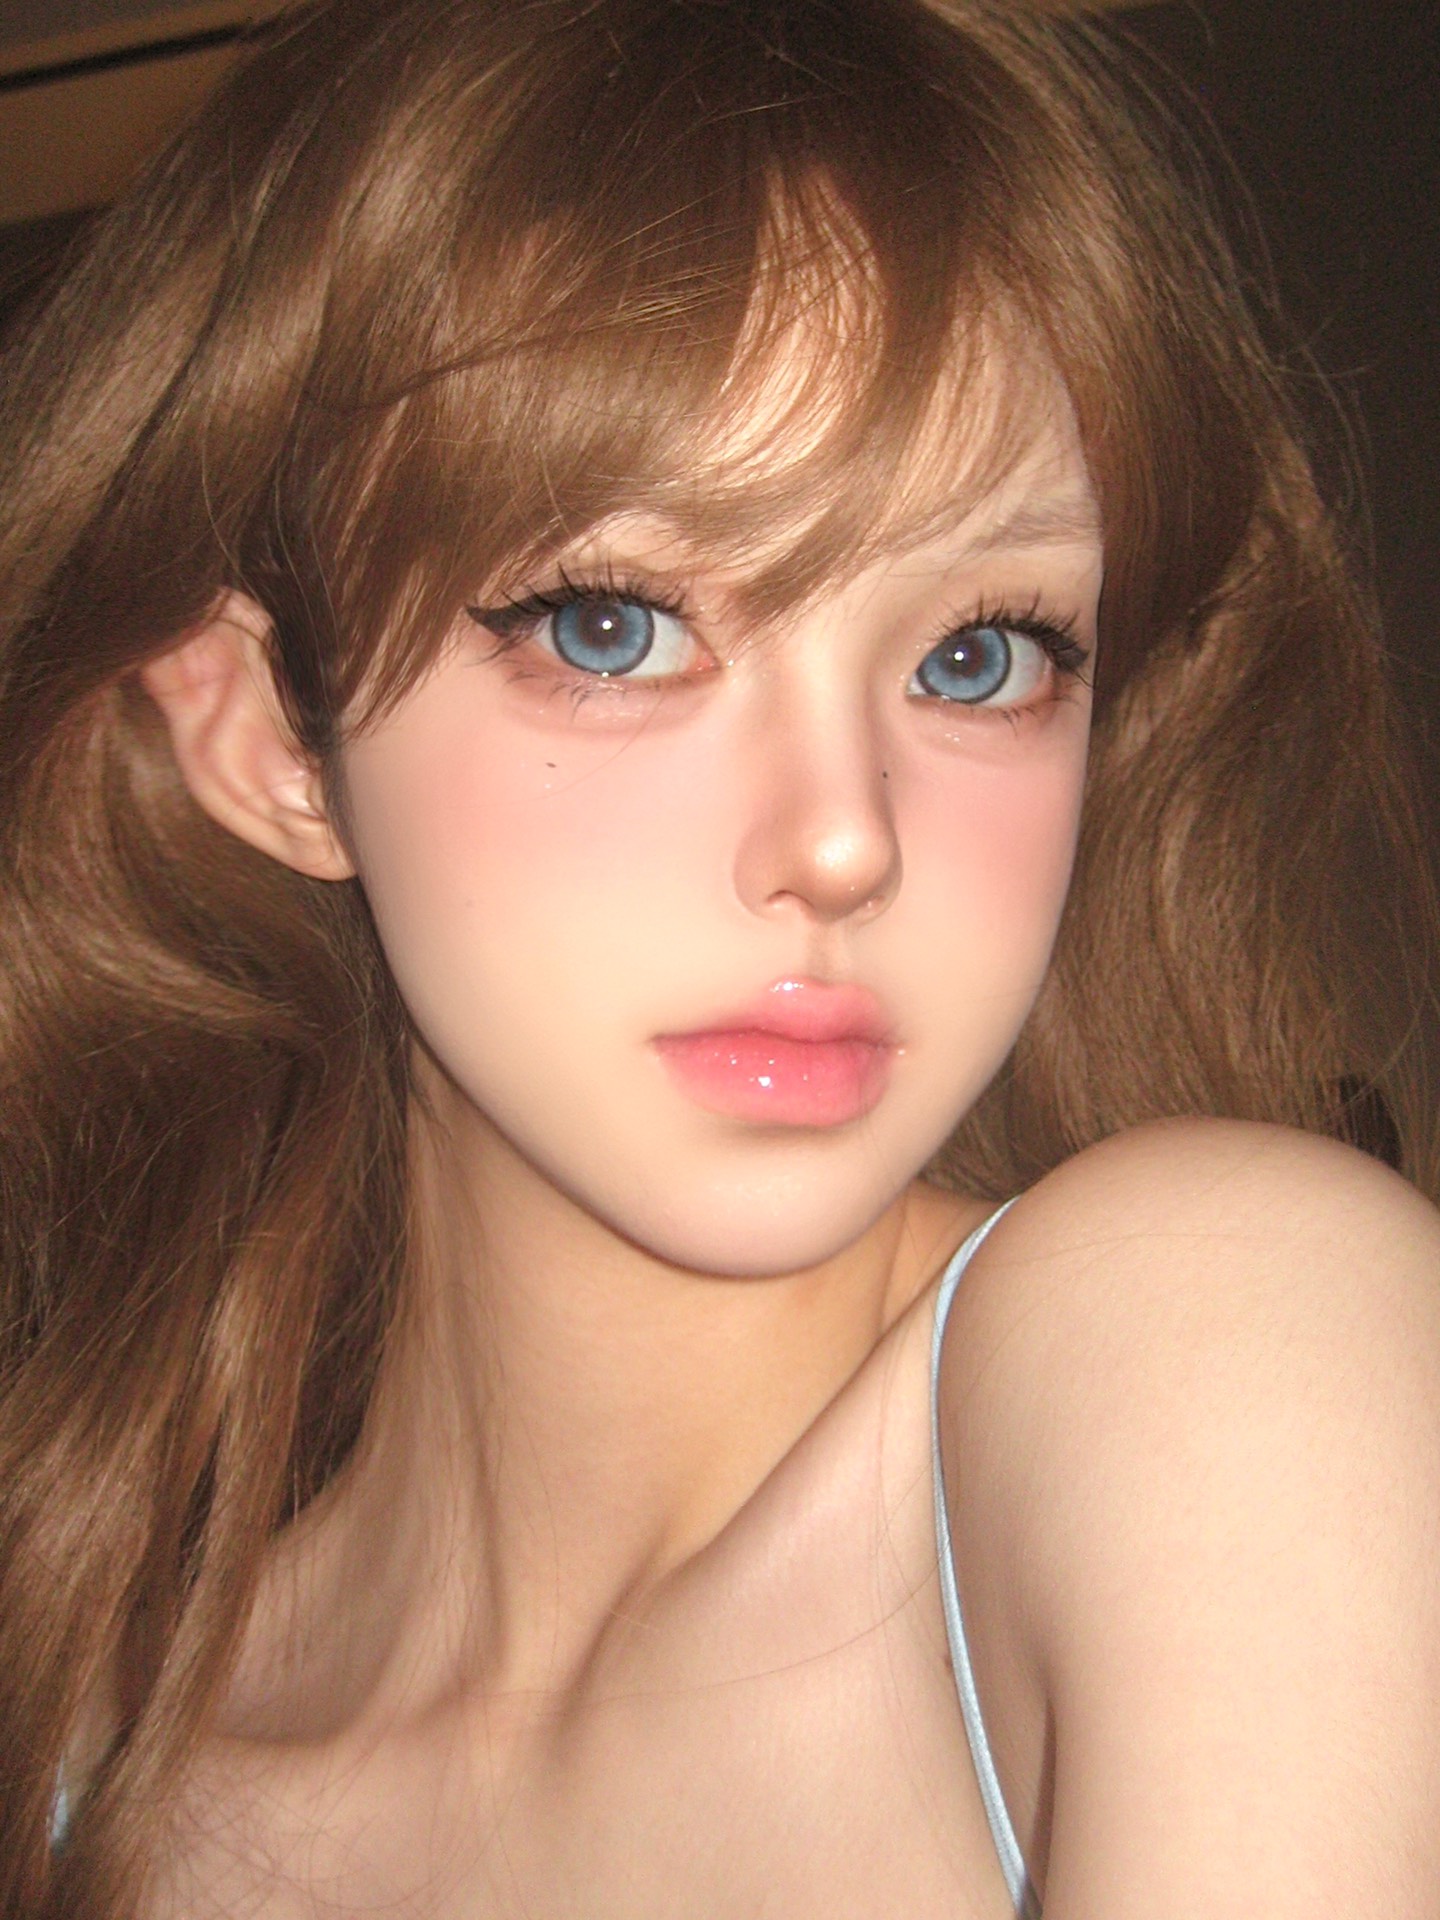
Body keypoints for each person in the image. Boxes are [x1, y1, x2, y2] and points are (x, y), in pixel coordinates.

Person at [2, 0, 1438, 1913]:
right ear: (276, 738)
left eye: (980, 656)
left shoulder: (1217, 1359)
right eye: (613, 628)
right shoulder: (88, 1789)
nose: (846, 840)